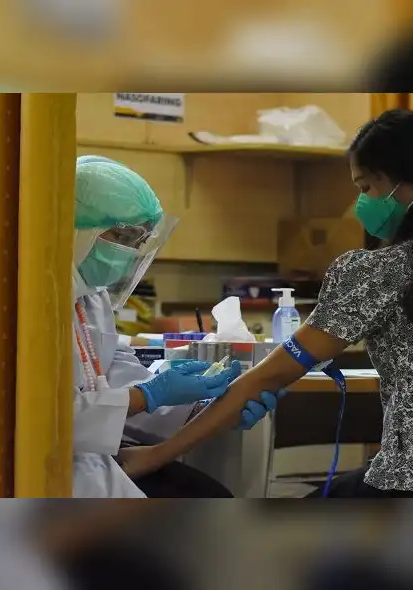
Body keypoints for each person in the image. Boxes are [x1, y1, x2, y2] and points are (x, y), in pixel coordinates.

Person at [114, 110, 413, 498]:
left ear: (410, 187)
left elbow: (271, 375)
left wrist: (155, 454)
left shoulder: (379, 272)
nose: (361, 204)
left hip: (411, 488)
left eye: (366, 188)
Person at [72, 155, 281, 498]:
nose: (129, 251)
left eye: (138, 240)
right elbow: (54, 420)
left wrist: (197, 405)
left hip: (94, 464)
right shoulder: (32, 305)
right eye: (122, 235)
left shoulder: (91, 299)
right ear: (79, 227)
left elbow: (111, 372)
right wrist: (152, 394)